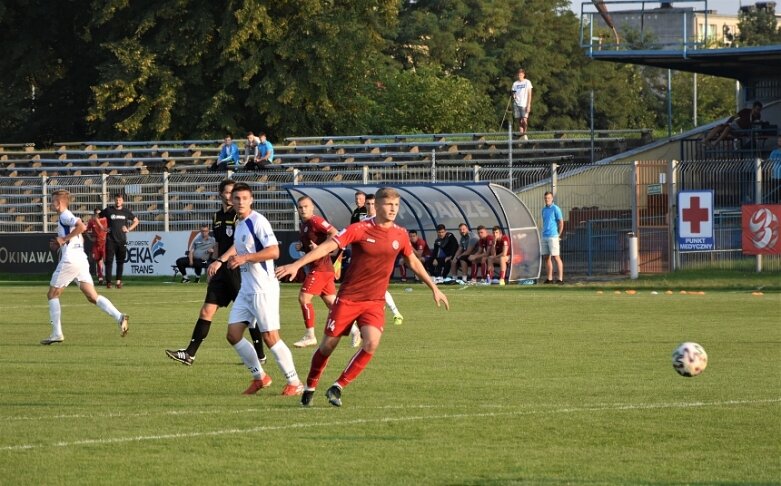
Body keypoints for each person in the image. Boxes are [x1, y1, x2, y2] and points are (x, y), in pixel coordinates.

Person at [275, 187, 449, 408]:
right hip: (348, 298)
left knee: (371, 343)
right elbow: (328, 246)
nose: (393, 209)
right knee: (328, 346)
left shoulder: (400, 234)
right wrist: (297, 264)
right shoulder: (360, 229)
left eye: (396, 205)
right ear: (376, 205)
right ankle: (310, 386)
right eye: (388, 204)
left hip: (374, 302)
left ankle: (337, 387)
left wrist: (433, 287)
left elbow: (412, 261)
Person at [165, 179, 266, 367]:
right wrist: (215, 264)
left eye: (234, 194)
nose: (232, 197)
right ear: (221, 194)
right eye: (228, 193)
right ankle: (189, 354)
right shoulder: (217, 216)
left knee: (250, 315)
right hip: (222, 271)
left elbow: (238, 245)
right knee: (206, 309)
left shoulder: (240, 217)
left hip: (237, 270)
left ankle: (260, 355)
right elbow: (219, 243)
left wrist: (220, 261)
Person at [217, 182, 303, 396]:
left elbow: (273, 251)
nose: (240, 202)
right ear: (231, 200)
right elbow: (239, 247)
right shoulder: (239, 222)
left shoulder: (258, 221)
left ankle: (295, 382)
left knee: (270, 336)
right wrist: (227, 259)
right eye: (236, 198)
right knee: (233, 334)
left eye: (244, 198)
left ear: (251, 200)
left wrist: (245, 258)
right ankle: (260, 377)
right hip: (247, 289)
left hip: (263, 288)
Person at [41, 190, 129, 345]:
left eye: (52, 201)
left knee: (52, 295)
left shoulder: (64, 215)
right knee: (92, 296)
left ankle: (56, 333)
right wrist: (61, 242)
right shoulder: (65, 217)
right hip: (80, 259)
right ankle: (119, 316)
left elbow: (81, 227)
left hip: (71, 260)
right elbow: (78, 234)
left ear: (59, 203)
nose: (50, 204)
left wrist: (64, 239)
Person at [293, 196, 339, 348]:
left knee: (304, 298)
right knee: (333, 304)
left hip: (320, 268)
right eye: (300, 207)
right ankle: (354, 330)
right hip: (321, 268)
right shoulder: (304, 224)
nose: (303, 209)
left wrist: (321, 248)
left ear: (312, 208)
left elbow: (335, 233)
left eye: (306, 206)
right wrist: (303, 247)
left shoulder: (316, 221)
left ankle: (310, 335)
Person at [362, 194, 404, 327]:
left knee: (379, 288)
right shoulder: (362, 220)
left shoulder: (382, 220)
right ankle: (384, 311)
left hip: (379, 260)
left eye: (373, 204)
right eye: (368, 204)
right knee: (372, 289)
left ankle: (394, 312)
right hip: (365, 260)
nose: (370, 207)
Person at [100, 192, 139, 289]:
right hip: (110, 239)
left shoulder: (126, 211)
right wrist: (103, 227)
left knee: (120, 261)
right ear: (114, 200)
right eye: (116, 200)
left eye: (120, 200)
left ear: (123, 201)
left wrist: (129, 229)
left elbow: (136, 221)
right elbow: (97, 217)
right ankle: (108, 282)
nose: (118, 201)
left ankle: (118, 281)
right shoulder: (109, 210)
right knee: (109, 261)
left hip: (122, 240)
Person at [541, 191, 564, 284]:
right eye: (546, 198)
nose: (547, 200)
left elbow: (561, 222)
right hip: (545, 236)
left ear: (552, 198)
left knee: (556, 257)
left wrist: (559, 235)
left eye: (549, 198)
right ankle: (549, 279)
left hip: (553, 236)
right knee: (546, 257)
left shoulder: (556, 208)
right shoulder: (543, 210)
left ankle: (560, 279)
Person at [85, 208, 108, 284]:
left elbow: (109, 228)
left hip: (104, 243)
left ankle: (108, 278)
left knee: (106, 261)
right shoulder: (92, 221)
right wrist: (90, 238)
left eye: (98, 213)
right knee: (98, 261)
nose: (97, 215)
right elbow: (86, 230)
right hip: (96, 244)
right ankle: (100, 278)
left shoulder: (105, 220)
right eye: (96, 213)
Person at [511, 68, 533, 140]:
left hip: (524, 104)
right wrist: (513, 95)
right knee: (519, 120)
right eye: (519, 74)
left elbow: (530, 94)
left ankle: (525, 134)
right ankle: (521, 135)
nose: (520, 76)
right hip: (517, 104)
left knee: (524, 119)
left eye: (521, 74)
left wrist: (529, 104)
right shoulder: (515, 83)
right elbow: (513, 92)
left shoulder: (527, 82)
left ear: (523, 75)